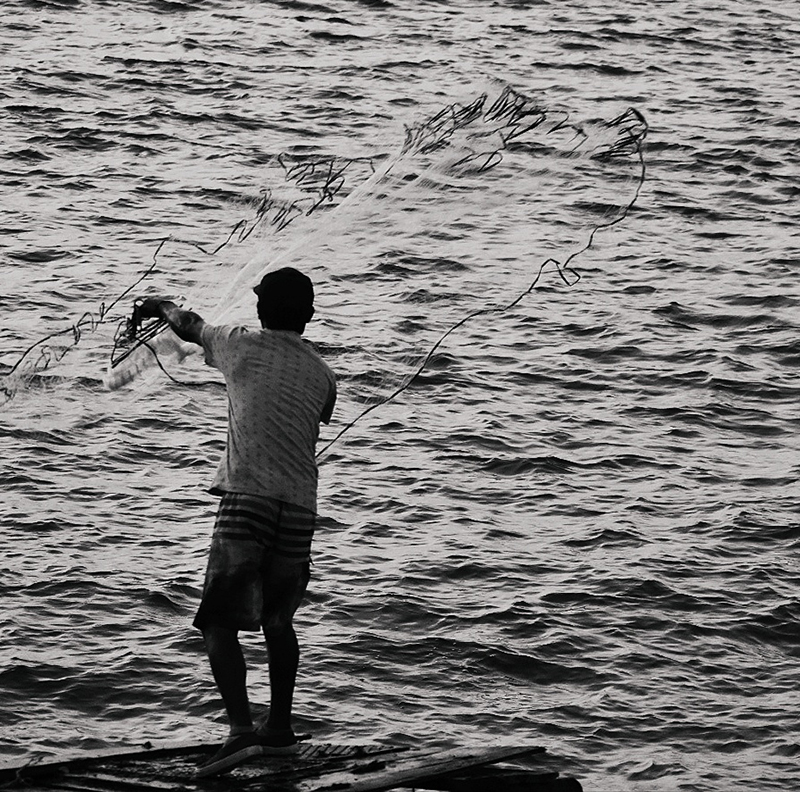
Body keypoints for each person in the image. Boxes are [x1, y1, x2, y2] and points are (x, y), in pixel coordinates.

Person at [136, 267, 336, 777]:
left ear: (260, 309)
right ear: (308, 315)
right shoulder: (324, 374)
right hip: (300, 509)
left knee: (217, 623)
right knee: (278, 622)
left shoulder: (238, 345)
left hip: (247, 501)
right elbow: (324, 413)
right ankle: (280, 734)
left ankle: (242, 733)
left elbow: (189, 324)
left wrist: (157, 305)